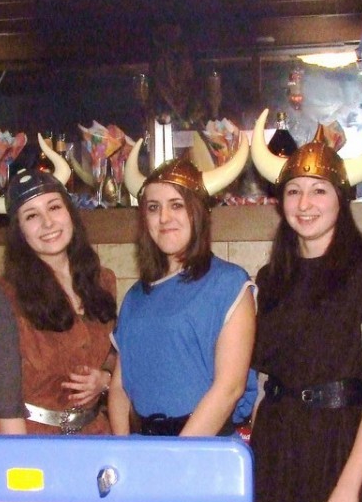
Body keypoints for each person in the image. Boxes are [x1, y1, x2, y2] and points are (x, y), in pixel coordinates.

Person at [247, 109, 362, 502]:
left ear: (341, 199)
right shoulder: (271, 277)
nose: (305, 204)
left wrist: (349, 486)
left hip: (342, 448)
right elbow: (265, 382)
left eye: (319, 190)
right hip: (275, 449)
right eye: (293, 191)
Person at [109, 133, 254, 436]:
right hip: (143, 446)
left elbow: (229, 387)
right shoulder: (135, 297)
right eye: (153, 207)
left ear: (198, 213)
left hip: (204, 448)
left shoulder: (229, 284)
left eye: (176, 205)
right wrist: (123, 451)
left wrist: (178, 455)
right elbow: (120, 387)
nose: (164, 218)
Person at [0, 139, 118, 434]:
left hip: (95, 436)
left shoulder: (102, 282)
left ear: (70, 213)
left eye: (54, 207)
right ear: (19, 231)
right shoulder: (5, 298)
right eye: (31, 215)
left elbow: (114, 358)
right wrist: (20, 461)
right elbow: (6, 403)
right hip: (34, 442)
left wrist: (105, 379)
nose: (47, 223)